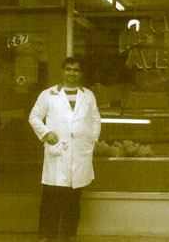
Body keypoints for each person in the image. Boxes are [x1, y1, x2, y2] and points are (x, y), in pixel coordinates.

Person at [29, 57, 101, 242]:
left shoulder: (88, 95)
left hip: (79, 154)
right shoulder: (49, 94)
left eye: (75, 70)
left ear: (81, 73)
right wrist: (46, 133)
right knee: (51, 197)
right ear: (62, 71)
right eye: (68, 69)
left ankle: (69, 235)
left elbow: (95, 120)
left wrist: (89, 143)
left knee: (73, 199)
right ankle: (47, 235)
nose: (72, 73)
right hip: (57, 152)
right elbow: (34, 117)